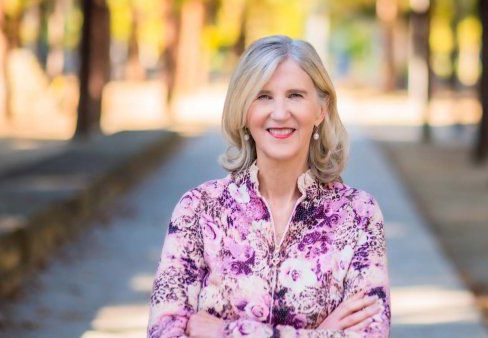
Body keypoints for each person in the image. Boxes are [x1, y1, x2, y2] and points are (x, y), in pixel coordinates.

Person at [147, 35, 391, 337]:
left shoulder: (359, 214)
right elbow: (163, 331)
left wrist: (224, 332)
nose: (279, 112)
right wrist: (322, 333)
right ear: (243, 110)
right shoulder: (198, 209)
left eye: (295, 95)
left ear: (321, 109)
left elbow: (370, 333)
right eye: (263, 96)